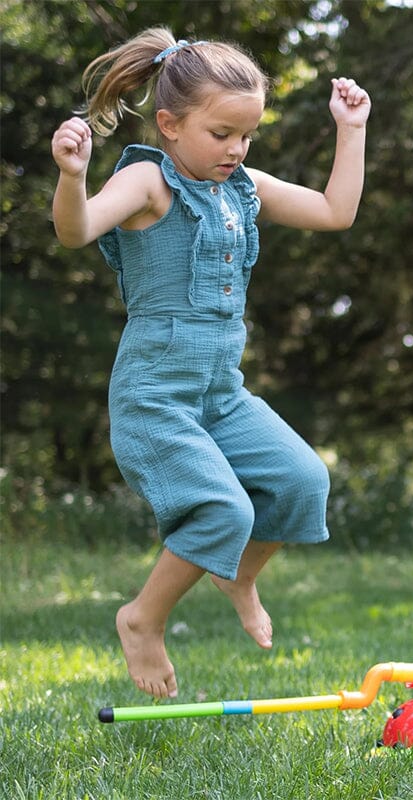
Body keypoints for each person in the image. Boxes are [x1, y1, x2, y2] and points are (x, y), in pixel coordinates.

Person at [50, 28, 370, 700]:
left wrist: (351, 129)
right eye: (222, 133)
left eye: (247, 135)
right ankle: (142, 619)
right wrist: (73, 177)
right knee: (225, 509)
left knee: (302, 481)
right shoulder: (147, 181)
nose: (237, 149)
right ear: (169, 124)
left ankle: (240, 576)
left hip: (222, 396)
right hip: (156, 398)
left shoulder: (243, 188)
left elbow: (336, 212)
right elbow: (76, 231)